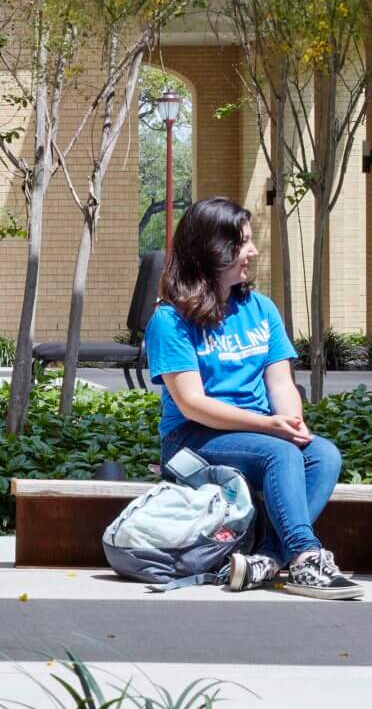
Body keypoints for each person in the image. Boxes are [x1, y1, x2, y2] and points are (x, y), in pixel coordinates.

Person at [142, 195, 361, 599]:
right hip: (189, 440)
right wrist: (269, 428)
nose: (253, 252)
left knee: (323, 454)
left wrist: (292, 423)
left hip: (259, 435)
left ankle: (268, 559)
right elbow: (192, 403)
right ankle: (305, 556)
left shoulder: (261, 309)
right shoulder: (170, 319)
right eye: (243, 243)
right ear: (212, 250)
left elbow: (281, 384)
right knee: (280, 453)